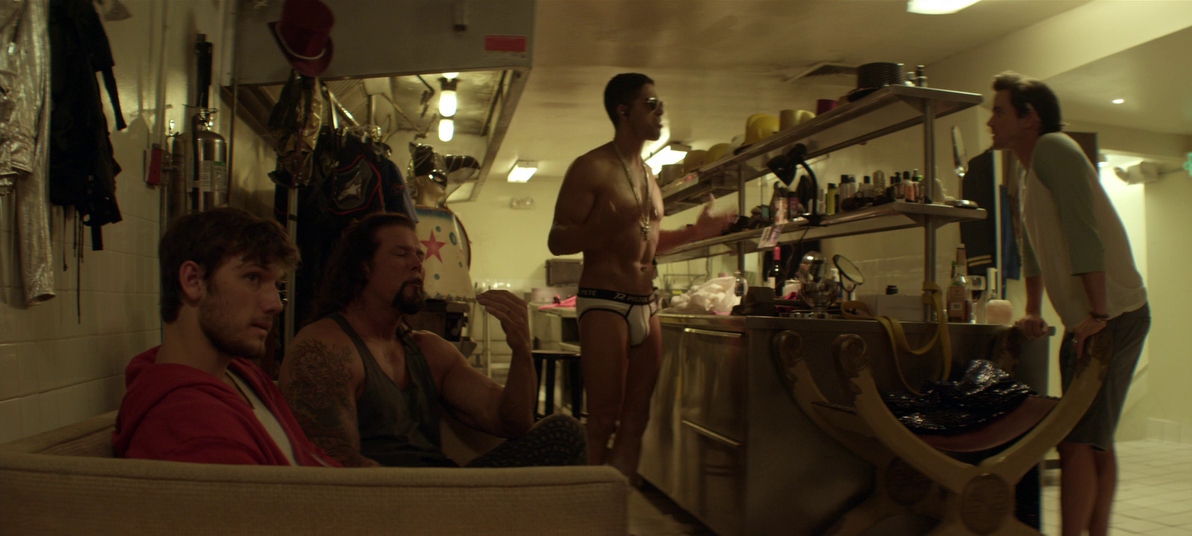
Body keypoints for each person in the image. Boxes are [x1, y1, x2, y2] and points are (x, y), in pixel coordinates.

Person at [280, 212, 586, 468]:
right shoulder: (326, 346)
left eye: (419, 255)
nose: (417, 264)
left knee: (564, 433)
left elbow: (511, 422)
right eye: (401, 254)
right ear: (364, 266)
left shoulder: (428, 350)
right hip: (391, 499)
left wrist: (521, 349)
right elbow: (333, 467)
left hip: (444, 487)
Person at [548, 73, 735, 480]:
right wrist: (605, 227)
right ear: (623, 111)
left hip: (646, 305)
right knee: (603, 418)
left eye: (660, 103)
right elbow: (557, 240)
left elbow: (647, 242)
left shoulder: (649, 176)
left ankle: (618, 505)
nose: (660, 110)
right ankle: (586, 506)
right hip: (605, 301)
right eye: (650, 104)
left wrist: (696, 232)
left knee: (637, 419)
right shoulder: (591, 167)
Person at [988, 72, 1151, 535]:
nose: (990, 121)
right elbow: (1033, 246)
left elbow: (1084, 232)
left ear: (1030, 117)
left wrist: (1098, 315)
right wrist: (1034, 309)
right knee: (1092, 440)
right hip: (1093, 318)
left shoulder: (1055, 149)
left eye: (999, 111)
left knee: (1079, 441)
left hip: (1113, 313)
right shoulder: (1029, 169)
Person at [113, 208, 337, 467]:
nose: (275, 304)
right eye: (253, 277)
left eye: (277, 285)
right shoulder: (188, 427)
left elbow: (308, 457)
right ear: (193, 281)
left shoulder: (239, 373)